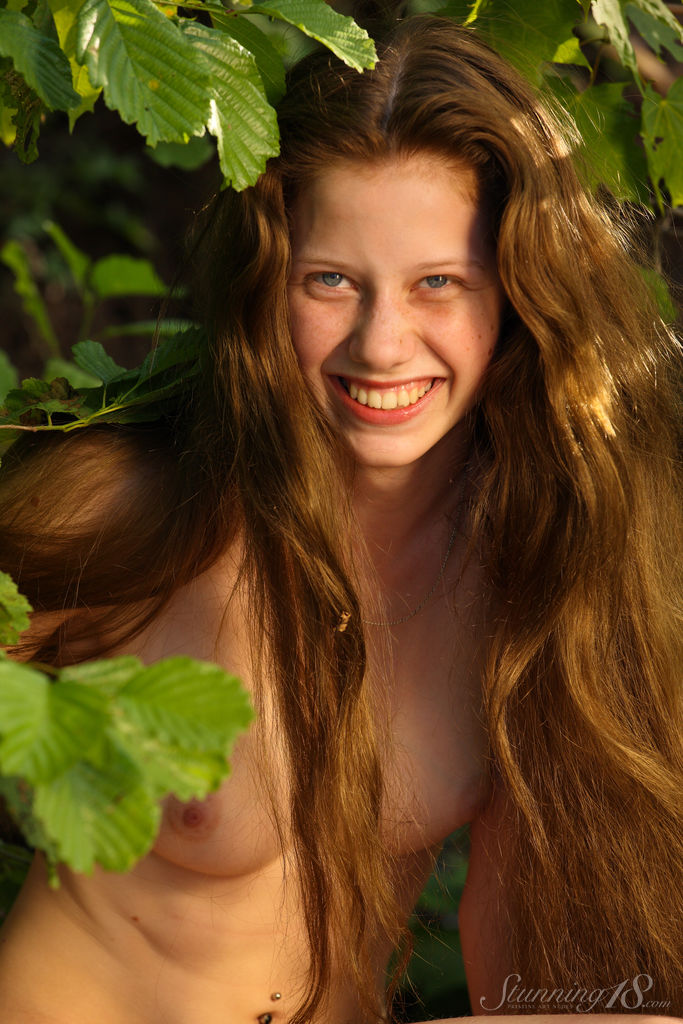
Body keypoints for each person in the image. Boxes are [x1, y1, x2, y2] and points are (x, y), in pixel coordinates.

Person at [0, 14, 681, 1024]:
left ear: (518, 296)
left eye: (437, 284)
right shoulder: (138, 511)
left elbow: (519, 981)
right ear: (270, 281)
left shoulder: (534, 577)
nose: (380, 343)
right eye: (331, 281)